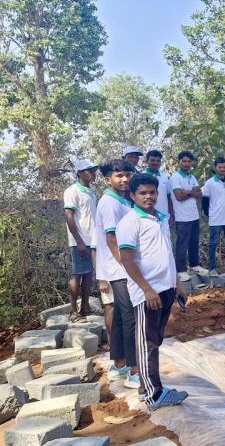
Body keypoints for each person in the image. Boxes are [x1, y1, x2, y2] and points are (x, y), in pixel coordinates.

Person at [116, 173, 189, 411]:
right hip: (148, 293)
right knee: (146, 342)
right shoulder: (130, 222)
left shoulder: (160, 218)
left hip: (165, 289)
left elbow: (167, 254)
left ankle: (151, 388)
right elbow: (127, 259)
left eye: (152, 192)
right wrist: (147, 289)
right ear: (132, 195)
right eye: (142, 193)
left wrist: (177, 283)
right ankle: (152, 395)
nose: (148, 196)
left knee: (155, 340)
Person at [94, 160, 139, 389]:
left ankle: (119, 364)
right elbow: (111, 239)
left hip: (120, 268)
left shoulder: (122, 200)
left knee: (121, 316)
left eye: (127, 175)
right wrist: (126, 265)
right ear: (107, 180)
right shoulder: (110, 203)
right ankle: (134, 370)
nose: (124, 179)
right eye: (119, 175)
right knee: (131, 317)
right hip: (119, 269)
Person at [64, 159, 98, 322]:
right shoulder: (72, 191)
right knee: (77, 274)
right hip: (80, 240)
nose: (92, 173)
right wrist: (79, 241)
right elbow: (69, 216)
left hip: (92, 239)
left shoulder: (91, 192)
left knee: (89, 274)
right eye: (88, 170)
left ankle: (85, 307)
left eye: (93, 170)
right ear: (79, 172)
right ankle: (73, 311)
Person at [170, 151, 202, 274]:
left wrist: (186, 192)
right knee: (182, 244)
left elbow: (199, 194)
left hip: (194, 215)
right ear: (178, 162)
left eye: (189, 161)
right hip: (182, 217)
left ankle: (194, 265)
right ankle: (181, 270)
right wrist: (192, 192)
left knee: (194, 242)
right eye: (184, 161)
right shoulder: (175, 178)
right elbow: (178, 196)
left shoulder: (192, 177)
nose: (186, 164)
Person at [203, 157, 225, 274]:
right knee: (213, 244)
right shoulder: (210, 183)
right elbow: (205, 202)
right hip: (215, 219)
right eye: (220, 167)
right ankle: (212, 268)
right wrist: (209, 215)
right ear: (215, 168)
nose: (222, 169)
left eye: (224, 167)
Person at [143, 150, 174, 226]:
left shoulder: (164, 177)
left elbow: (168, 197)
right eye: (152, 160)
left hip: (164, 217)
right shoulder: (141, 176)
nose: (155, 163)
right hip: (147, 217)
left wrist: (171, 215)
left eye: (158, 161)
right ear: (147, 161)